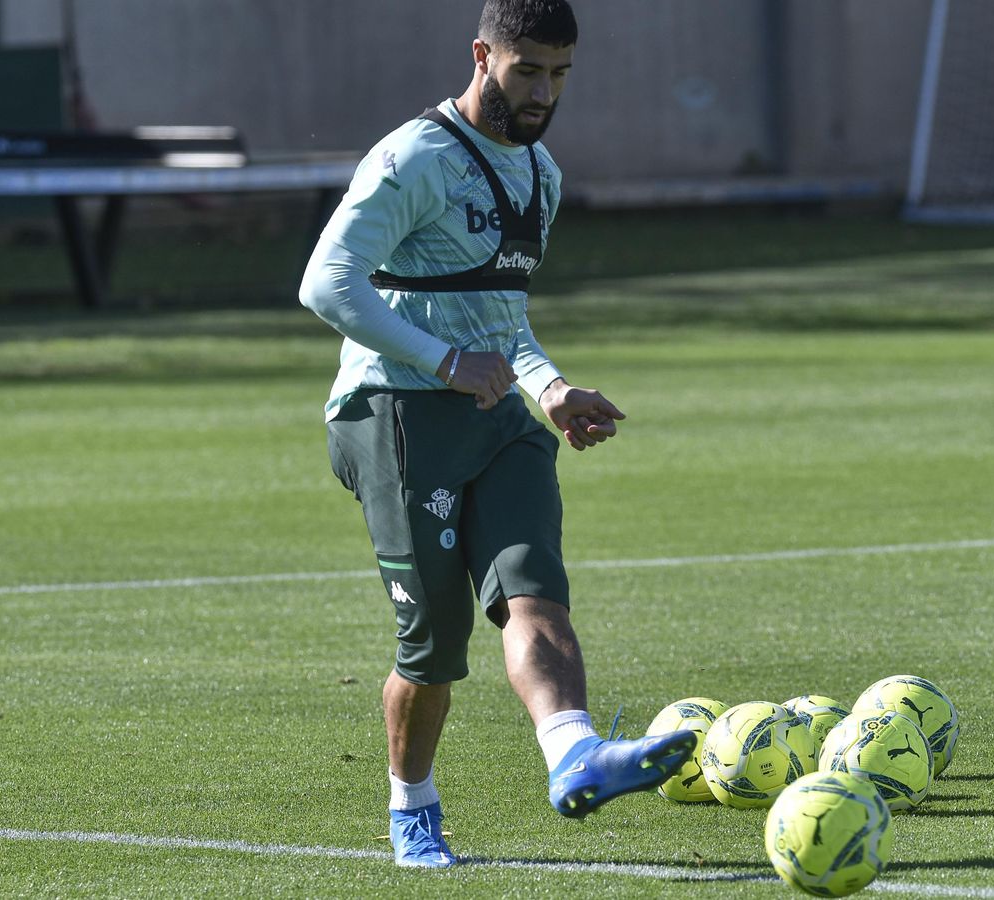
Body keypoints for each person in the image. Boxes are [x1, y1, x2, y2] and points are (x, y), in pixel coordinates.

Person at [298, 0, 695, 870]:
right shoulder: (415, 158)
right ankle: (412, 808)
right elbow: (326, 285)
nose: (546, 92)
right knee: (434, 649)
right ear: (484, 56)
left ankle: (574, 754)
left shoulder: (539, 174)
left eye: (560, 74)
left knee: (534, 594)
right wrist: (442, 362)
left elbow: (502, 314)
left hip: (497, 420)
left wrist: (548, 388)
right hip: (391, 416)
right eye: (529, 71)